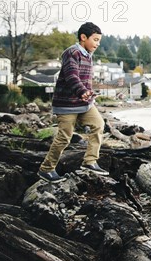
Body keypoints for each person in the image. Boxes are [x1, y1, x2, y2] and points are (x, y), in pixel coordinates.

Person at [38, 22, 109, 182]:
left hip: (84, 103)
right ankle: (46, 169)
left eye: (99, 41)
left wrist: (89, 92)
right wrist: (82, 91)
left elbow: (85, 80)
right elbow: (71, 76)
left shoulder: (88, 56)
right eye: (95, 40)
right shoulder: (73, 53)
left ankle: (90, 161)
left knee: (99, 125)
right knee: (64, 137)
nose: (97, 44)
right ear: (83, 37)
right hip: (67, 104)